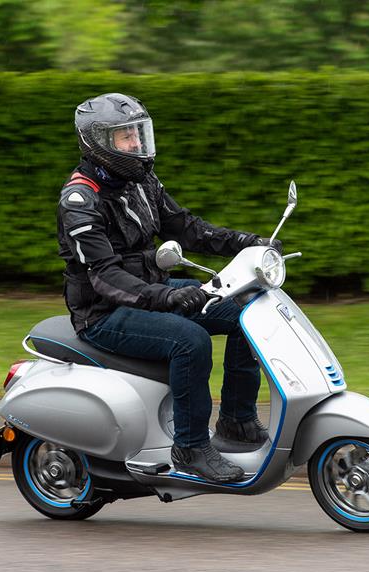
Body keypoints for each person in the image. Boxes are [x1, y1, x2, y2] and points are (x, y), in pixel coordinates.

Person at [56, 92, 281, 483]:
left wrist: (247, 242)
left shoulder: (140, 181)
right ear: (98, 143)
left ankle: (237, 421)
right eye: (126, 137)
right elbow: (105, 276)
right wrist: (167, 296)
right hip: (103, 312)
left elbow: (186, 228)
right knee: (189, 340)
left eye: (138, 134)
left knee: (248, 308)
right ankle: (191, 447)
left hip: (151, 290)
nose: (137, 144)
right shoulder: (80, 201)